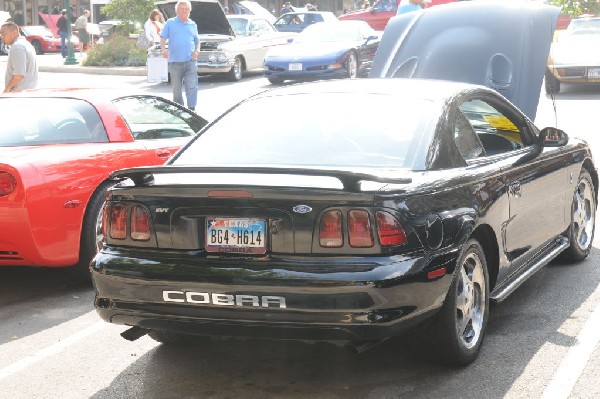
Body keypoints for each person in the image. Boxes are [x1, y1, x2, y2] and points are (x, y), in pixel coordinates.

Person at [160, 0, 200, 111]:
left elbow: (197, 41)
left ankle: (192, 109)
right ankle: (180, 110)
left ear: (189, 11)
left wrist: (197, 51)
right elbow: (163, 38)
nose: (184, 11)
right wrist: (163, 49)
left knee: (192, 86)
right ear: (177, 11)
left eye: (186, 9)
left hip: (190, 61)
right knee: (176, 89)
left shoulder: (193, 24)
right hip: (175, 62)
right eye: (181, 9)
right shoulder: (170, 23)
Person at [1, 21, 38, 93]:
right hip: (29, 91)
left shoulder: (17, 47)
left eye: (3, 33)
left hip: (19, 94)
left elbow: (19, 75)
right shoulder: (26, 44)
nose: (1, 36)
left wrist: (7, 90)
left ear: (14, 33)